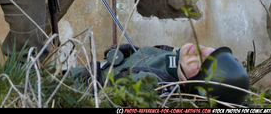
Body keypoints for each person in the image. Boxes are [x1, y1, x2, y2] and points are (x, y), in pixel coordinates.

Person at [71, 42, 250, 104]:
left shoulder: (157, 86)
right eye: (208, 52)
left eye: (201, 64)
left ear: (196, 86)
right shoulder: (174, 56)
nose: (198, 51)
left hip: (72, 87)